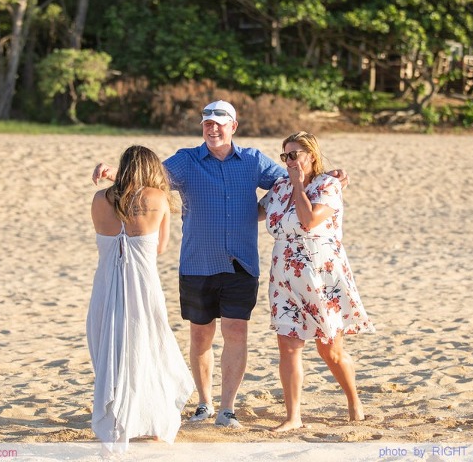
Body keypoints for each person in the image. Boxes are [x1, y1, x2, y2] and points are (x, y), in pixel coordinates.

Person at [93, 100, 348, 429]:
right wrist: (115, 173)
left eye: (219, 123)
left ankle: (227, 408)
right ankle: (204, 403)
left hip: (240, 263)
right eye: (207, 123)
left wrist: (332, 175)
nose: (212, 128)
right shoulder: (186, 161)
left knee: (236, 332)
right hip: (197, 262)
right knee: (200, 337)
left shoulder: (254, 160)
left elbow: (294, 176)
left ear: (233, 127)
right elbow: (150, 177)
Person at [258, 131, 375, 433]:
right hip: (284, 274)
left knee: (330, 348)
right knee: (288, 345)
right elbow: (254, 213)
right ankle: (293, 416)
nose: (289, 161)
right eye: (285, 156)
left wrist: (298, 184)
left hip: (321, 275)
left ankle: (354, 402)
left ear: (311, 155)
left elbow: (308, 220)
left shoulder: (328, 185)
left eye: (294, 154)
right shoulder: (279, 187)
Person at [87, 145, 194, 453]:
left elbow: (112, 220)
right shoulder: (158, 199)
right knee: (147, 348)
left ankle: (118, 418)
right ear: (152, 169)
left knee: (112, 349)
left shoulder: (98, 200)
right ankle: (152, 422)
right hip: (142, 287)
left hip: (106, 286)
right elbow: (159, 248)